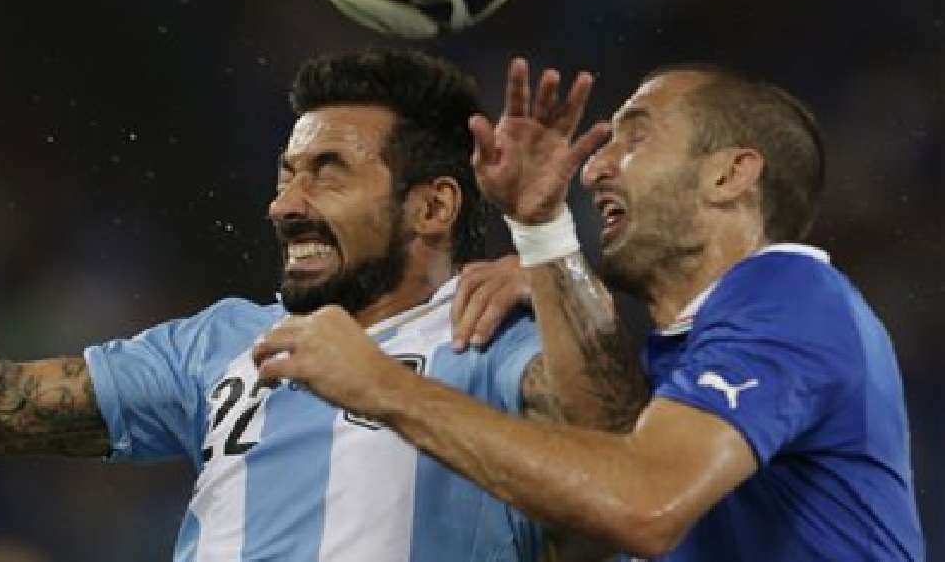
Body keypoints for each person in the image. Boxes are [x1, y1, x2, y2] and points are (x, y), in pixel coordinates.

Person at [0, 50, 586, 561]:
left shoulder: (494, 334)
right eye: (283, 175)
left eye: (327, 171)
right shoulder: (220, 342)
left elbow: (608, 456)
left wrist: (548, 247)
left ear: (433, 207)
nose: (285, 204)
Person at [253, 59, 925, 561]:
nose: (596, 167)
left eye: (635, 137)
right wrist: (543, 233)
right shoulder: (685, 359)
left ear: (729, 175)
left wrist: (384, 385)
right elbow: (601, 463)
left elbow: (642, 502)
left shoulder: (791, 299)